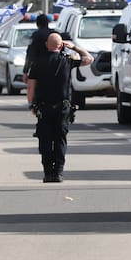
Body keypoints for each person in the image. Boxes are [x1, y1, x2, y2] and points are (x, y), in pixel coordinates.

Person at [28, 33, 92, 182]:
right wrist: (75, 47)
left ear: (46, 45)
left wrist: (31, 104)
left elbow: (31, 86)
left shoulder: (37, 62)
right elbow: (89, 59)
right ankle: (58, 172)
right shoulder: (67, 60)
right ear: (61, 45)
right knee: (60, 139)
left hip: (43, 108)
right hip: (62, 108)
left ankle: (47, 172)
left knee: (45, 140)